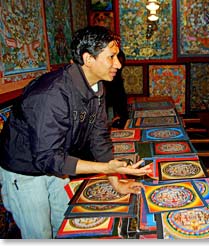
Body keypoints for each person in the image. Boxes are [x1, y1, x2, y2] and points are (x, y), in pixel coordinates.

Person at [0, 26, 152, 239]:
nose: (118, 64)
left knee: (67, 224)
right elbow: (46, 158)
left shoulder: (97, 86)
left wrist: (116, 182)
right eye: (111, 57)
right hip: (24, 171)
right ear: (88, 59)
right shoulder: (51, 94)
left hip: (57, 163)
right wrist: (105, 167)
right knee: (40, 236)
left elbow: (99, 138)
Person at [104, 49, 129, 129]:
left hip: (115, 81)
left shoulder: (117, 51)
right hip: (108, 82)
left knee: (119, 97)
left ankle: (122, 119)